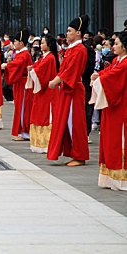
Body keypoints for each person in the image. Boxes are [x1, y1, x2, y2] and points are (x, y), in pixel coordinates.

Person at [47, 15, 90, 167]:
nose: (67, 33)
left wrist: (55, 81)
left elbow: (70, 71)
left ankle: (79, 155)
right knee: (66, 121)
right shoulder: (73, 49)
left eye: (70, 30)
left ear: (78, 33)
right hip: (68, 89)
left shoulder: (79, 50)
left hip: (74, 90)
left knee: (75, 122)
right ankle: (73, 152)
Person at [89, 32, 127, 190]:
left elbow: (112, 77)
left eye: (117, 44)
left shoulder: (124, 64)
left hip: (121, 108)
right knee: (110, 139)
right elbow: (108, 72)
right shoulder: (117, 61)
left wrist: (99, 78)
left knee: (118, 141)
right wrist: (98, 75)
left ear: (124, 47)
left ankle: (121, 177)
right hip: (112, 108)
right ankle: (111, 176)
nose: (113, 46)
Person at [26, 35, 59, 153]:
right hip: (41, 91)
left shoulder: (50, 58)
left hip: (47, 91)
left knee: (45, 115)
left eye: (43, 43)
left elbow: (41, 72)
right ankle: (38, 144)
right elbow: (37, 67)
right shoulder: (44, 57)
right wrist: (32, 68)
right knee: (38, 113)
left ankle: (45, 144)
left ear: (49, 45)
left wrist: (33, 70)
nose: (41, 45)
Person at [2, 29, 33, 141]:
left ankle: (25, 132)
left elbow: (17, 64)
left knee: (24, 106)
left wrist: (7, 65)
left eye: (15, 41)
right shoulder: (20, 53)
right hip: (20, 83)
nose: (13, 43)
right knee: (20, 106)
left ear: (21, 42)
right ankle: (21, 131)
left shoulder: (24, 54)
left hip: (24, 83)